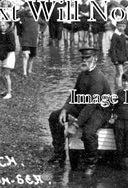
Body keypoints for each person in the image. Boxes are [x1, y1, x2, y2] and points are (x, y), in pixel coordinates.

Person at [48, 47, 111, 175]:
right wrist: (65, 109)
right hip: (86, 105)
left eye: (87, 58)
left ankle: (91, 163)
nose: (84, 60)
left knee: (88, 132)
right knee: (54, 117)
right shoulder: (82, 74)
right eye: (83, 58)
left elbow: (91, 105)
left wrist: (75, 125)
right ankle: (59, 154)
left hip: (100, 110)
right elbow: (75, 94)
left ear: (95, 59)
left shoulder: (98, 78)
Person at [0, 21, 15, 99]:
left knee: (7, 75)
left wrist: (1, 47)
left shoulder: (10, 34)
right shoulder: (0, 33)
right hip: (1, 54)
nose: (2, 27)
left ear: (7, 26)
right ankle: (7, 88)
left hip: (9, 55)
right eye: (1, 25)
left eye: (3, 25)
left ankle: (9, 93)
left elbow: (12, 47)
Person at [18, 5, 39, 76]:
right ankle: (24, 72)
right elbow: (17, 14)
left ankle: (29, 70)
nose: (30, 12)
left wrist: (41, 32)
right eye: (29, 11)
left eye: (32, 11)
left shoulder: (37, 18)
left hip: (33, 41)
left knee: (32, 56)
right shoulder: (23, 18)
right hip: (25, 40)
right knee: (25, 55)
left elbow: (44, 24)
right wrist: (25, 9)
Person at [110, 20, 128, 88]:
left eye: (123, 26)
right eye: (120, 26)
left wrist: (127, 58)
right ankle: (120, 87)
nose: (121, 27)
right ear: (117, 26)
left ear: (125, 27)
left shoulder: (122, 35)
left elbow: (125, 48)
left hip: (122, 57)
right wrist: (114, 59)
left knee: (118, 73)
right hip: (117, 58)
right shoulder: (115, 36)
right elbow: (112, 49)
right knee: (121, 73)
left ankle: (116, 86)